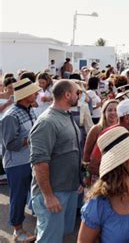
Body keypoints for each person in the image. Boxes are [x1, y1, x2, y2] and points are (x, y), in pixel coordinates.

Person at [29, 80, 83, 242]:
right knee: (49, 239)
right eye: (76, 93)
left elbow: (71, 152)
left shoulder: (66, 115)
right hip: (54, 193)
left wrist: (77, 181)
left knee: (58, 235)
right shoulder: (47, 122)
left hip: (68, 189)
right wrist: (48, 196)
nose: (78, 96)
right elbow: (39, 163)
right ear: (67, 95)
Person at [1, 78, 40, 242]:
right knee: (18, 197)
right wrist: (30, 139)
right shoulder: (10, 116)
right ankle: (18, 231)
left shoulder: (29, 109)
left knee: (32, 194)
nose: (37, 93)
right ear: (25, 95)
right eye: (34, 91)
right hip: (16, 164)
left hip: (29, 160)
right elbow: (9, 144)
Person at [82, 99, 119, 184]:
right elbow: (86, 156)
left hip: (115, 176)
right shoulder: (96, 129)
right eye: (109, 110)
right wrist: (86, 177)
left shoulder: (122, 130)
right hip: (97, 175)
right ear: (104, 112)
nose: (113, 112)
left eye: (116, 110)